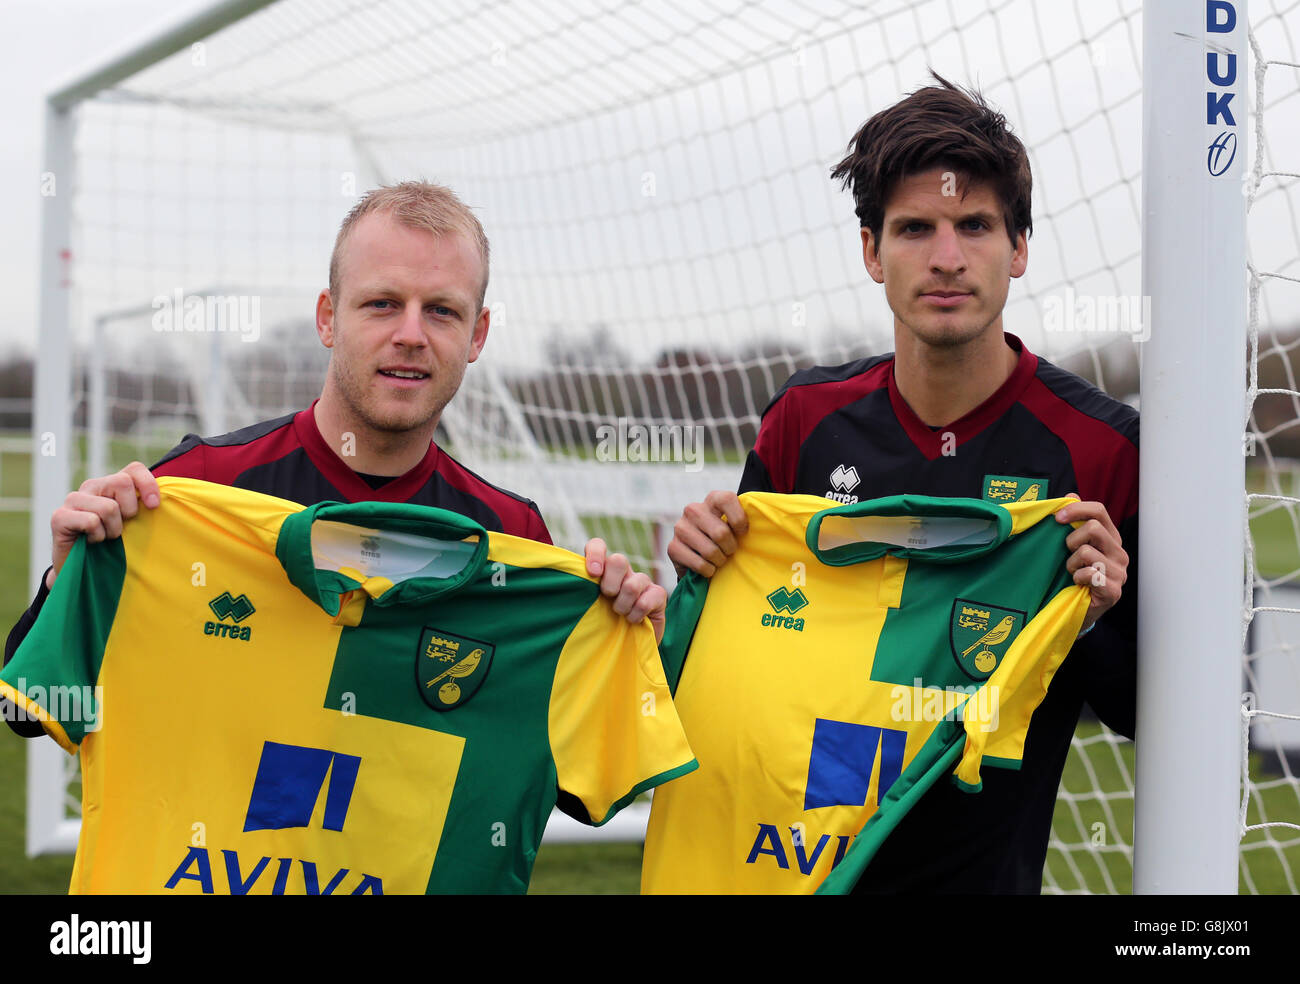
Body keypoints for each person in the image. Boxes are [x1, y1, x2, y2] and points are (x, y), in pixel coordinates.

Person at [666, 74, 1138, 894]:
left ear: (1019, 248)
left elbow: (1141, 711)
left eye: (976, 226)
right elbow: (741, 661)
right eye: (915, 228)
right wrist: (700, 565)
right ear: (871, 252)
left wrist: (1093, 615)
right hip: (794, 867)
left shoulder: (1105, 448)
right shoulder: (805, 420)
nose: (947, 258)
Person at [5, 181, 665, 737]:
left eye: (441, 311)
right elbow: (25, 712)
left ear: (477, 336)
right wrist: (69, 583)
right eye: (381, 304)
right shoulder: (194, 488)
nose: (410, 335)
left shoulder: (511, 537)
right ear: (327, 318)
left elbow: (570, 783)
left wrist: (639, 653)